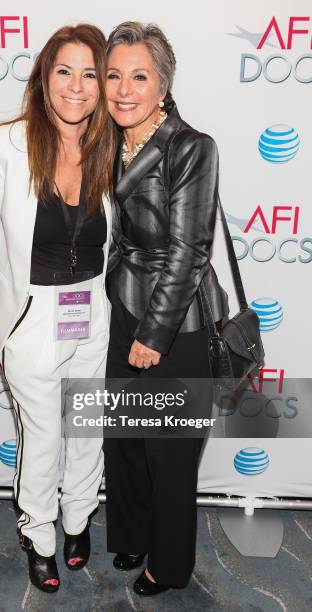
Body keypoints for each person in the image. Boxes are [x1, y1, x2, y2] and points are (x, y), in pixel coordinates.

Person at [0, 24, 116, 593]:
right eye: (64, 71)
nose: (76, 87)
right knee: (44, 435)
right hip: (34, 315)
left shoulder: (111, 146)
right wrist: (11, 295)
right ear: (44, 77)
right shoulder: (8, 143)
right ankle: (40, 533)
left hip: (93, 308)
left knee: (86, 428)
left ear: (101, 85)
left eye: (88, 74)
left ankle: (78, 520)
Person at [103, 22, 229, 596]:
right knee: (125, 440)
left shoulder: (191, 146)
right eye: (113, 75)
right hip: (124, 306)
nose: (123, 89)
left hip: (174, 324)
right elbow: (51, 124)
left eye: (139, 76)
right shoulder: (111, 136)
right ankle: (130, 534)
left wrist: (153, 334)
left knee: (170, 455)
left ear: (162, 84)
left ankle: (169, 565)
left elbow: (187, 252)